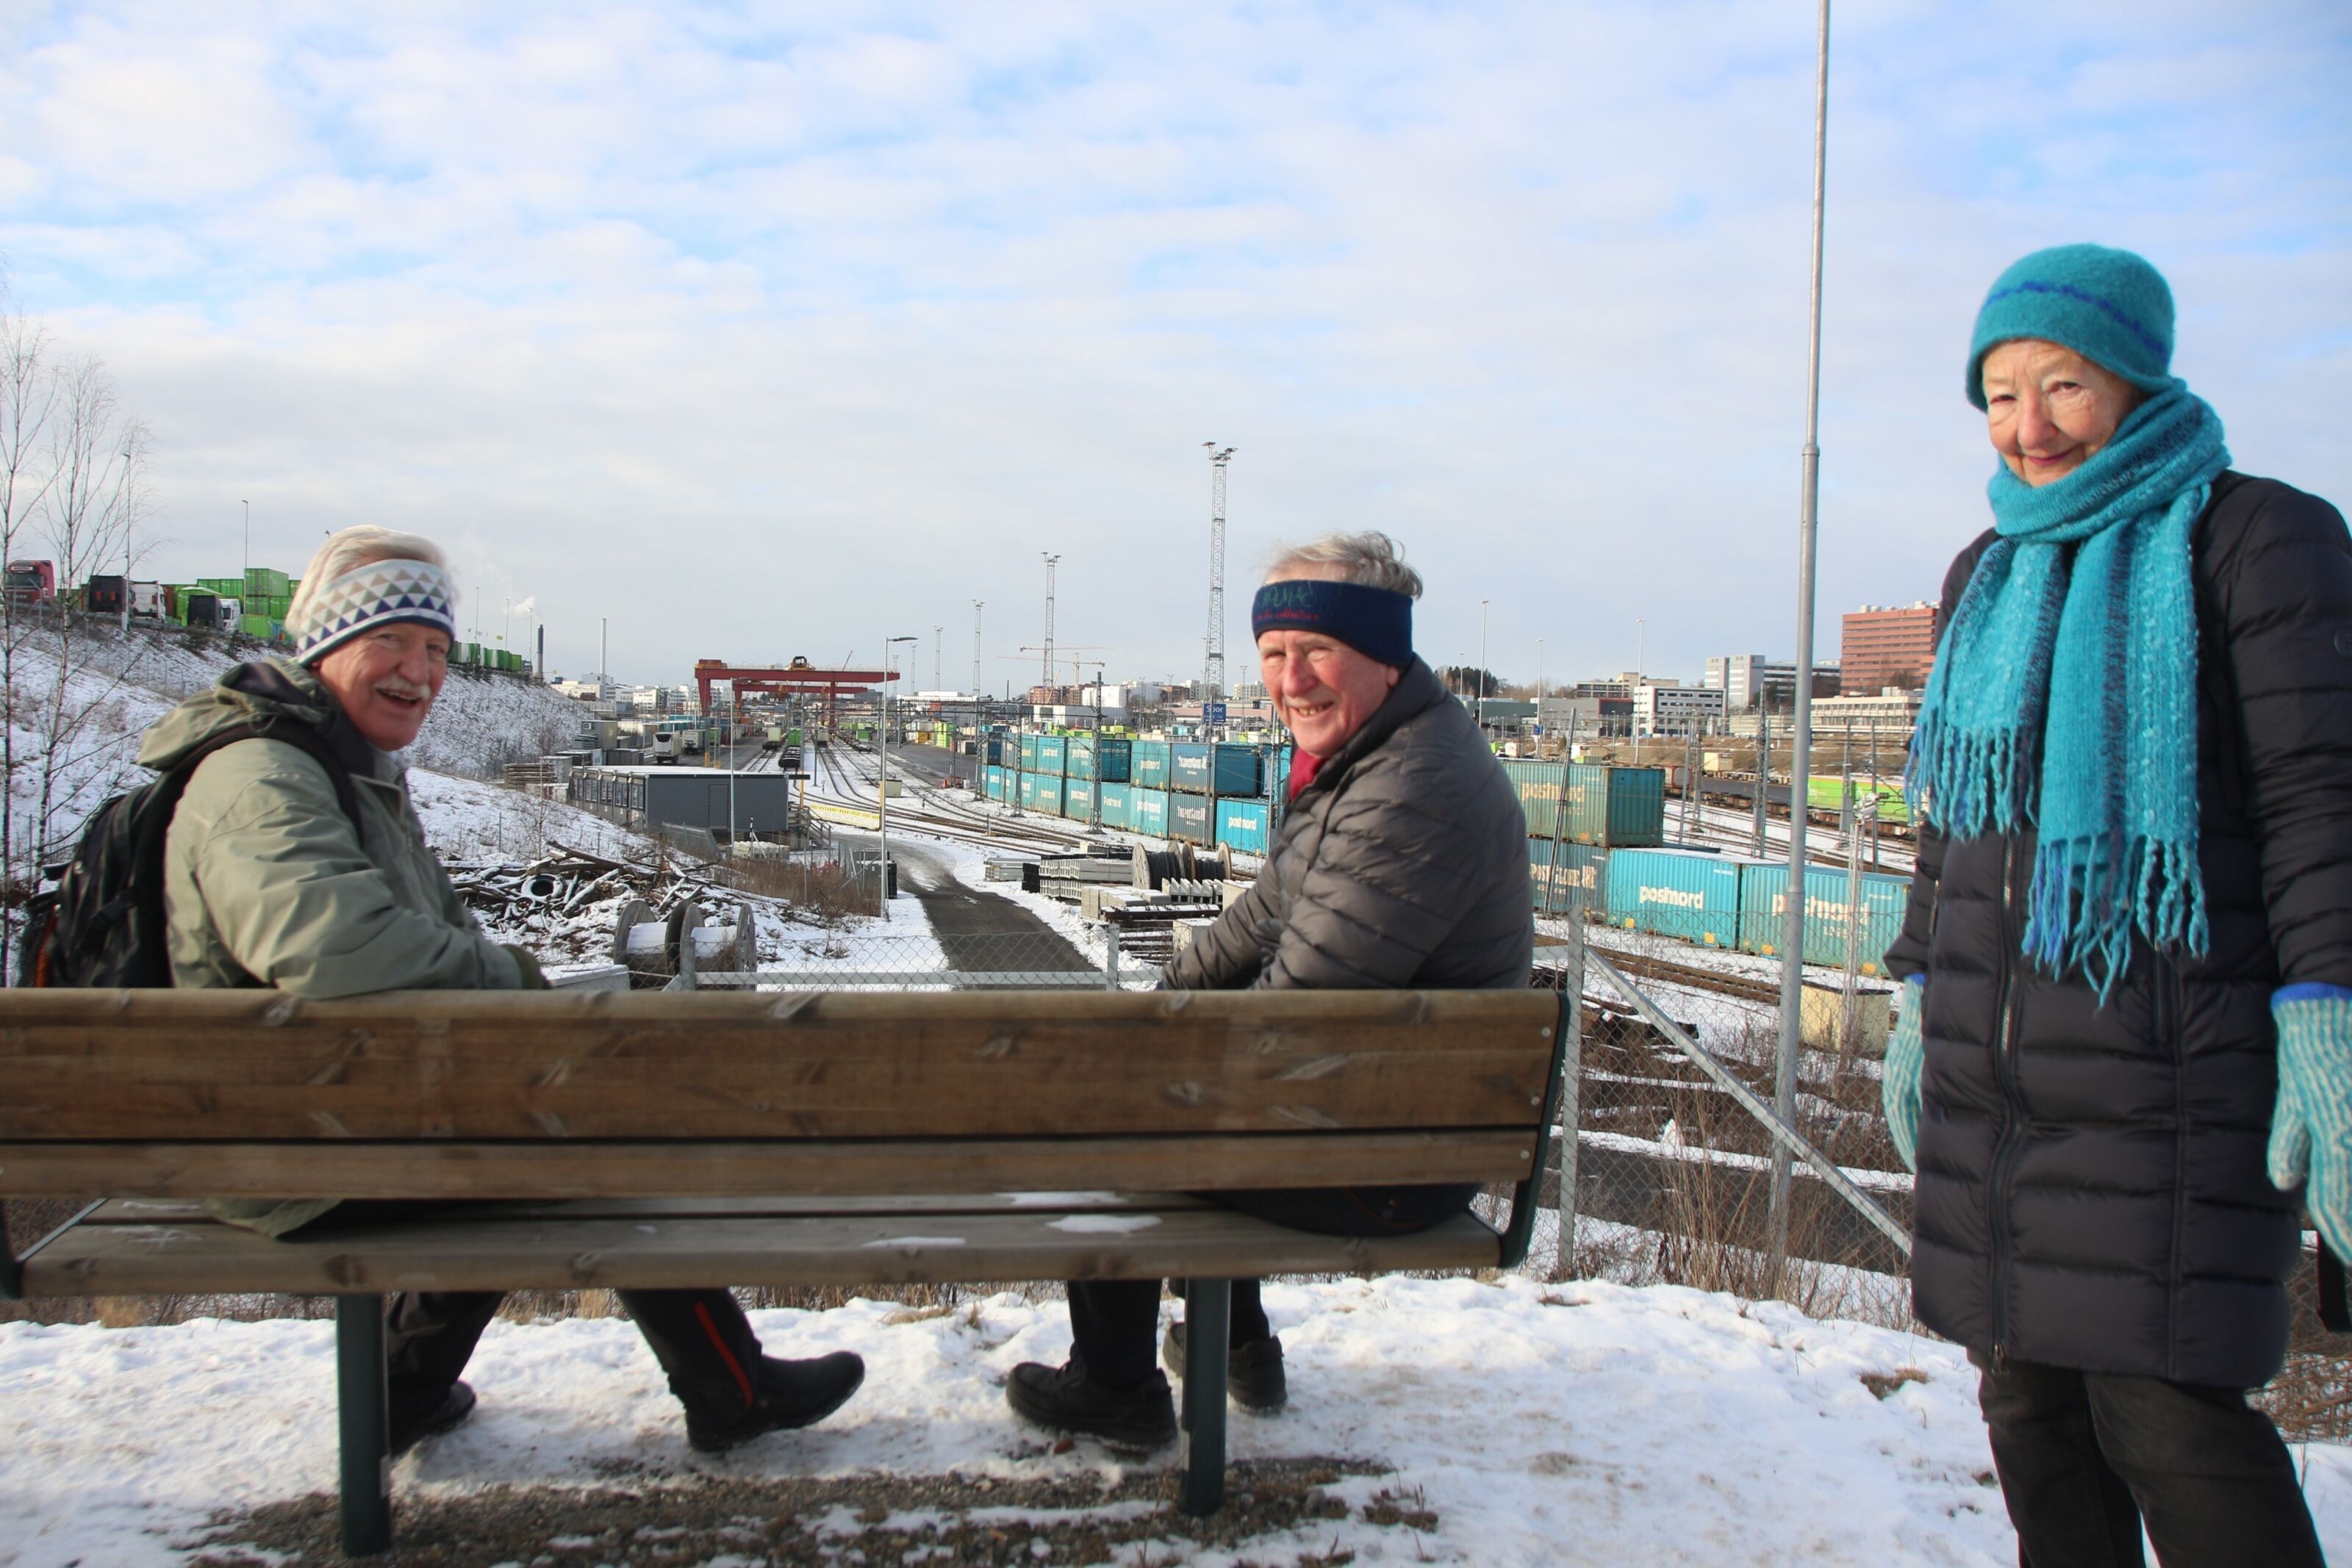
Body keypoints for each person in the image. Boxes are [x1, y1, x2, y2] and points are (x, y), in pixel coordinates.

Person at [146, 525, 864, 1456]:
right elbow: (330, 947)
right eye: (391, 642)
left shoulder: (339, 771)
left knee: (533, 1125)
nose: (421, 671)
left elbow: (428, 937)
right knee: (568, 1141)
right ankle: (732, 1388)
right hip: (283, 1144)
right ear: (324, 645)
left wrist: (501, 1002)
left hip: (320, 1114)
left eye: (437, 649)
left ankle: (406, 1392)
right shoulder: (262, 775)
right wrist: (514, 982)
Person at [1882, 245, 2351, 1566]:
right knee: (2030, 1408)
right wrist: (1921, 980)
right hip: (2004, 1075)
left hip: (2173, 1063)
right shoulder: (1987, 568)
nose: (2028, 428)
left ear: (2139, 381)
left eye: (2065, 387)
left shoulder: (2258, 538)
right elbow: (1953, 811)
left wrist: (2327, 1004)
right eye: (2000, 394)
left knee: (2168, 1413)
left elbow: (2325, 800)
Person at [1006, 530, 1532, 1447]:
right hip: (1378, 1117)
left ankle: (1116, 1386)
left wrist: (1147, 1069)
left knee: (1121, 1123)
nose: (1290, 681)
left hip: (1393, 1162)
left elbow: (1292, 1017)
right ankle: (1239, 1344)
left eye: (1316, 651)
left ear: (1384, 654)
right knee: (1170, 1087)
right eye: (1274, 655)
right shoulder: (1370, 758)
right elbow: (1255, 921)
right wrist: (1155, 1013)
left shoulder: (1408, 789)